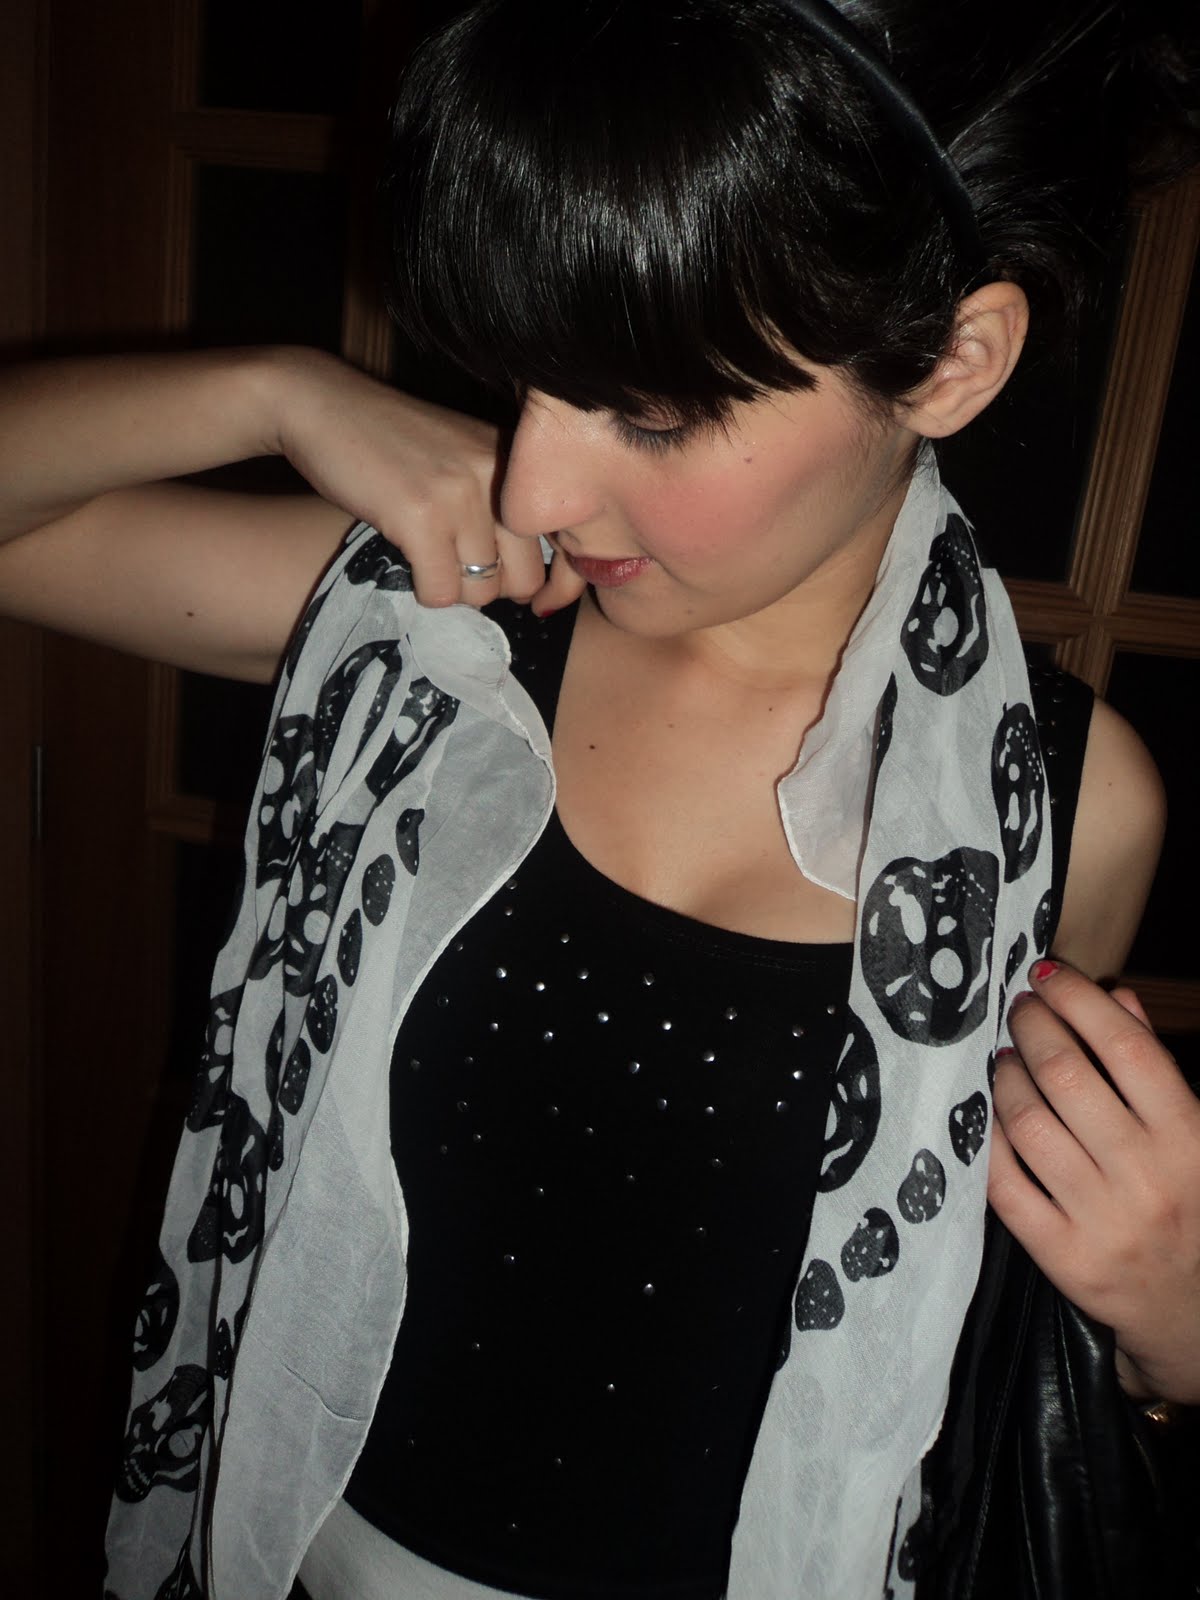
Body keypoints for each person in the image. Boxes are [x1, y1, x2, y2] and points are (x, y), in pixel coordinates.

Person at [1, 1, 1197, 1596]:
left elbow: (983, 1331)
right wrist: (272, 392)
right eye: (528, 376)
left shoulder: (1057, 806)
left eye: (649, 412)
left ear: (953, 362)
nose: (536, 482)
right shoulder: (450, 624)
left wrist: (1178, 1330)